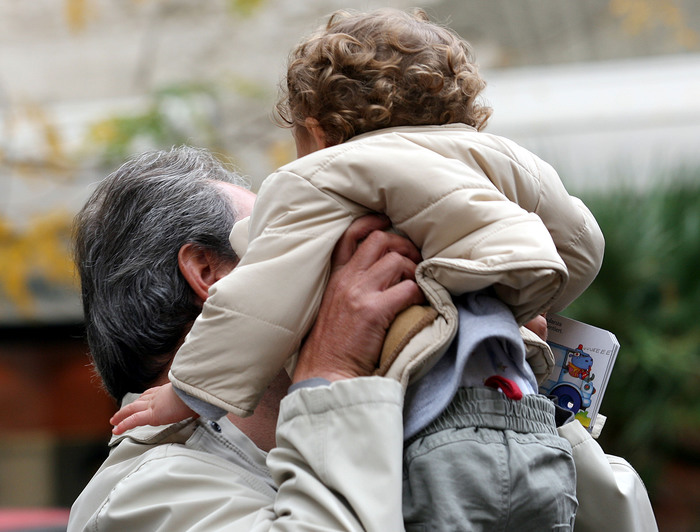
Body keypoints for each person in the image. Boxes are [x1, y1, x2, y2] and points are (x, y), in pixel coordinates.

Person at [111, 8, 606, 530]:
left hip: (438, 434)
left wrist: (187, 393)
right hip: (524, 419)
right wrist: (507, 295)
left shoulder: (317, 178)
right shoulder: (503, 162)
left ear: (316, 132)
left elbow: (256, 305)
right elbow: (581, 246)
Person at [67, 146, 424, 530]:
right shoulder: (149, 490)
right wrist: (334, 371)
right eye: (280, 244)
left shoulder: (253, 460)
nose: (321, 258)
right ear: (208, 272)